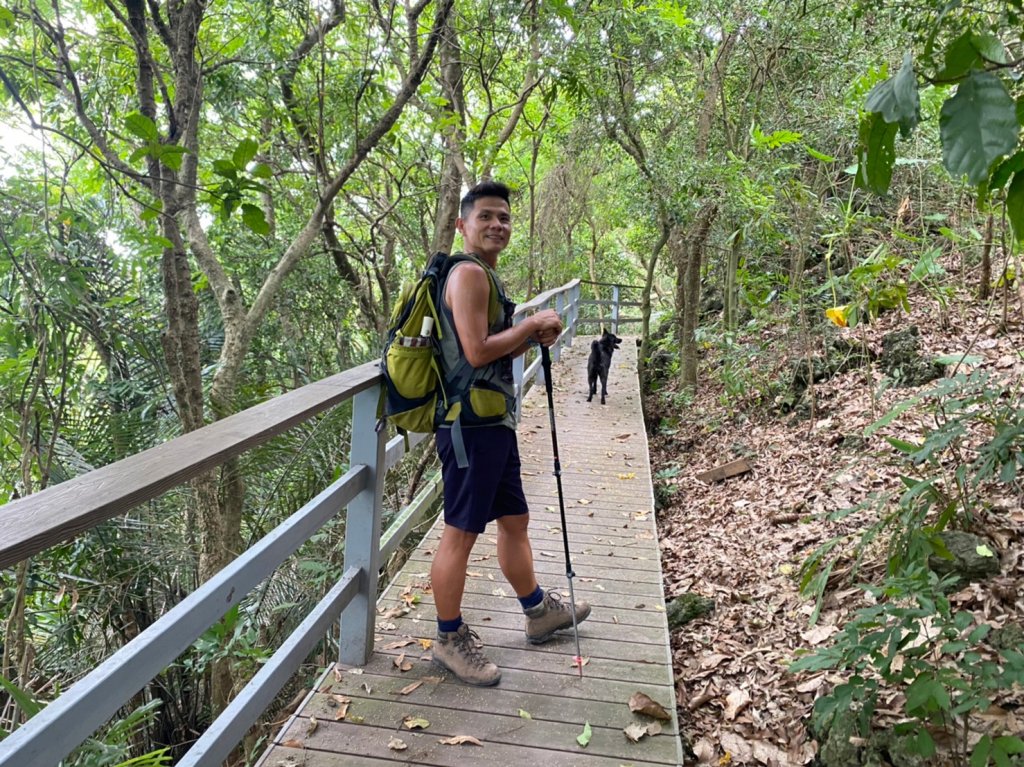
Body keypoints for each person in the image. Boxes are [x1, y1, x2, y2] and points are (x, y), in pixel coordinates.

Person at [430, 180, 592, 686]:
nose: (497, 225)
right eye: (486, 217)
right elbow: (477, 351)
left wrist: (530, 335)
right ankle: (449, 638)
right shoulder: (470, 275)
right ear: (464, 225)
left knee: (515, 519)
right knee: (461, 532)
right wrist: (530, 325)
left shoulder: (484, 276)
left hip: (490, 420)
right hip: (469, 427)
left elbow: (486, 354)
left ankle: (538, 609)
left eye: (504, 217)